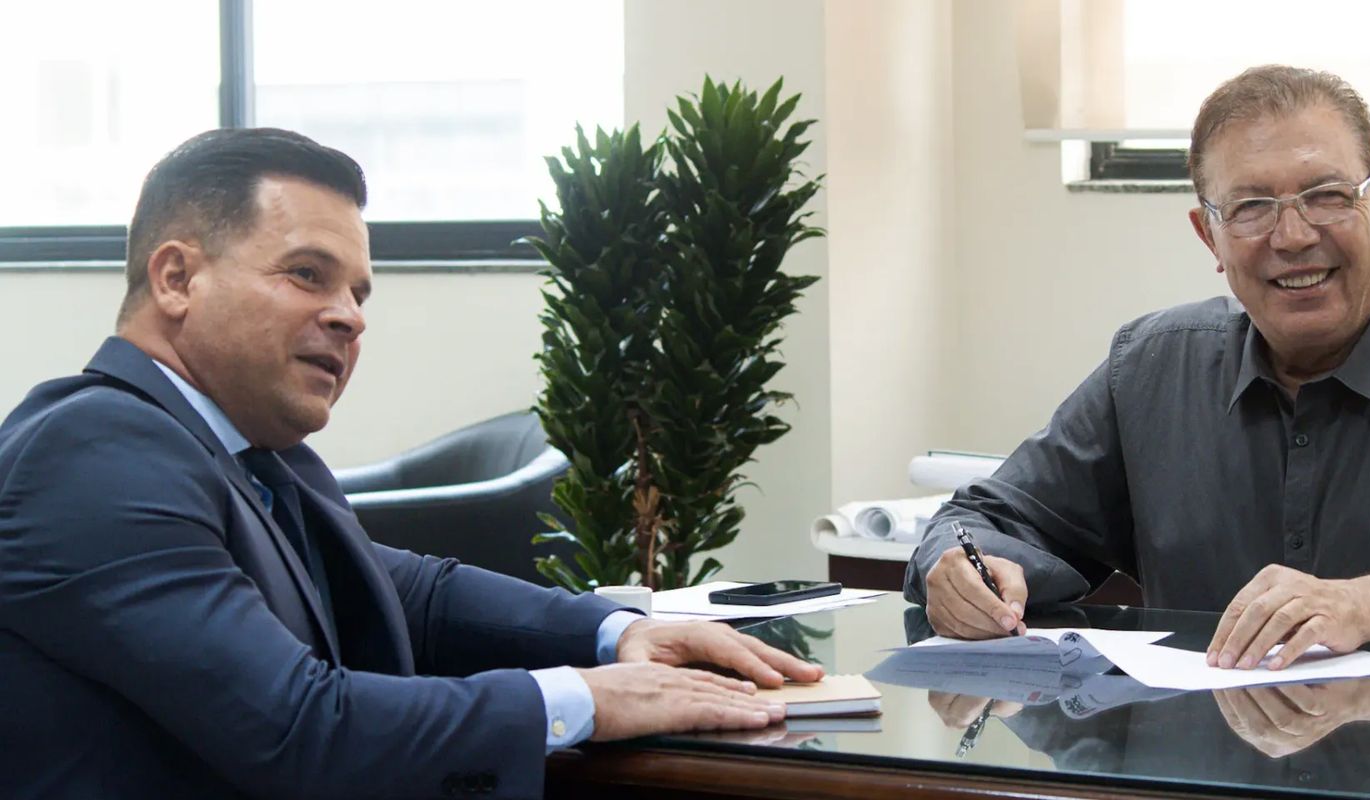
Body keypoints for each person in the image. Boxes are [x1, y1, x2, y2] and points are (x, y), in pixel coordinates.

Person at [0, 128, 822, 799]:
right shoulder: (93, 453)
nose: (349, 318)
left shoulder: (255, 453)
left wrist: (621, 634)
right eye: (308, 275)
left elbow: (408, 592)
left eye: (358, 294)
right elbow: (301, 731)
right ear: (177, 278)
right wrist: (586, 698)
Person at [907, 65, 1370, 670]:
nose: (1292, 237)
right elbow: (985, 518)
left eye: (1326, 195)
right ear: (1209, 235)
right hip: (1200, 751)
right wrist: (966, 571)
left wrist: (1367, 604)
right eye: (1251, 208)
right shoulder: (1151, 367)